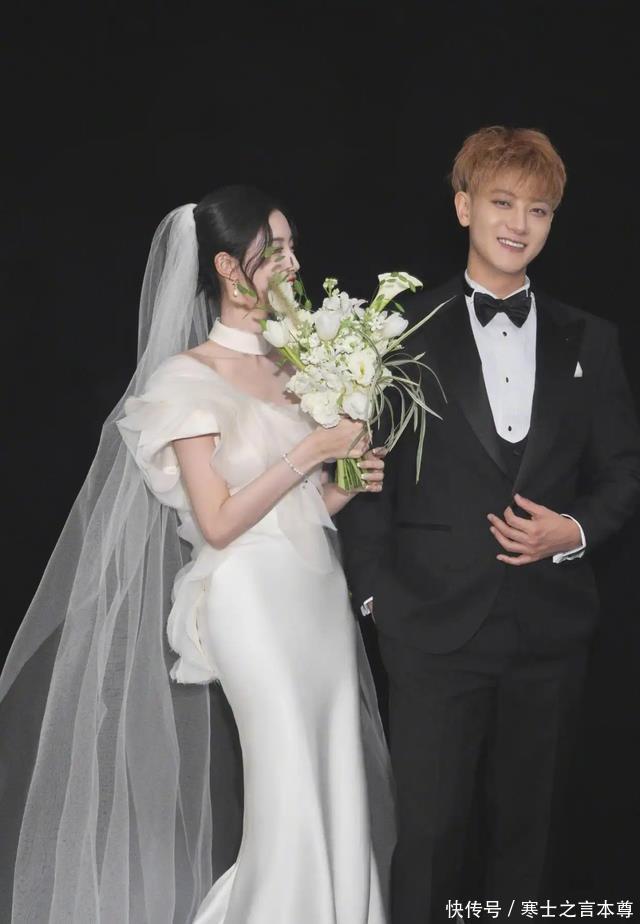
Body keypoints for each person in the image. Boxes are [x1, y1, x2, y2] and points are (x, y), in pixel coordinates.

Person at [0, 187, 395, 923]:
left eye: (292, 246)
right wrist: (313, 449)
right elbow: (218, 522)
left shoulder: (297, 366)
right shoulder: (184, 379)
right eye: (274, 250)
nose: (293, 263)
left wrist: (344, 483)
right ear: (226, 266)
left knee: (334, 767)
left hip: (315, 592)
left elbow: (298, 508)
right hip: (247, 599)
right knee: (287, 780)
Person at [337, 126, 640, 922]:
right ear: (465, 206)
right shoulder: (395, 333)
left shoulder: (592, 338)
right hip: (429, 625)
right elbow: (360, 473)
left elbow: (623, 472)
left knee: (528, 841)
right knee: (428, 837)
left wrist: (572, 531)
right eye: (503, 202)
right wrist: (374, 595)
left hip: (550, 630)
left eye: (539, 210)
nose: (519, 223)